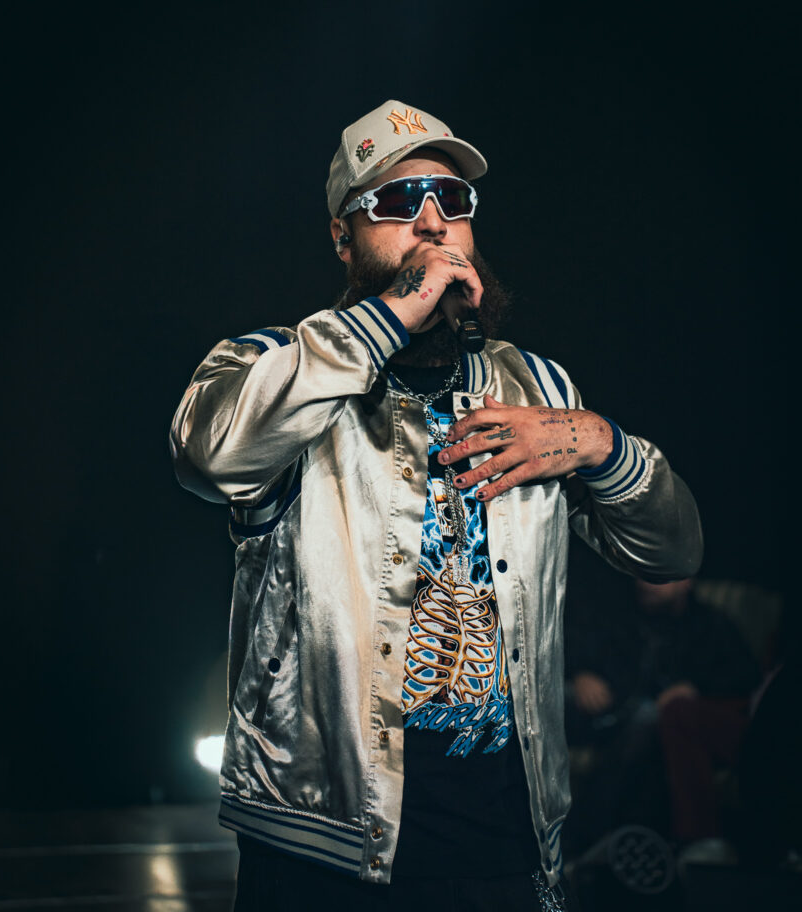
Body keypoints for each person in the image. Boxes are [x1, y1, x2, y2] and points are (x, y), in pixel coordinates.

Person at [170, 99, 703, 911]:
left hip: (503, 840)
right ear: (342, 237)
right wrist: (393, 311)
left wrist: (601, 442)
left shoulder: (537, 386)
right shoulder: (277, 367)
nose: (431, 222)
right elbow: (209, 454)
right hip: (323, 843)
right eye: (395, 202)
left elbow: (671, 553)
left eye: (451, 201)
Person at [565, 572, 761, 855]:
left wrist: (696, 687)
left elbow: (745, 676)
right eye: (643, 577)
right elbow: (575, 643)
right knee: (550, 695)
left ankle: (580, 839)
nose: (645, 585)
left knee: (649, 718)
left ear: (686, 582)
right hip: (603, 706)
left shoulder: (709, 624)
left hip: (651, 724)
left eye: (659, 579)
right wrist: (580, 673)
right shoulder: (619, 611)